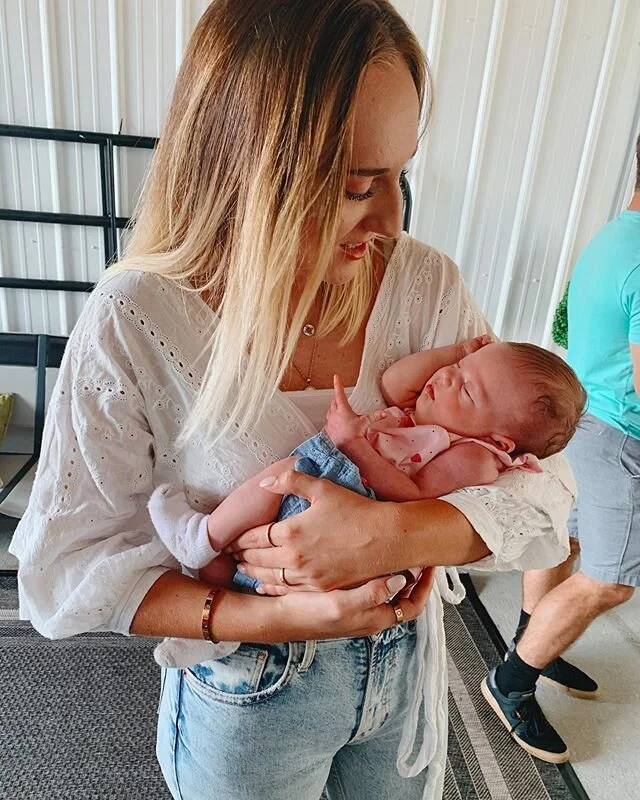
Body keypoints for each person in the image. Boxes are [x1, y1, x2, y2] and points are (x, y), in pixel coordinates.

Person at [9, 2, 576, 798]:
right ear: (241, 167)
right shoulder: (137, 320)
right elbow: (67, 571)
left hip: (405, 677)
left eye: (400, 175)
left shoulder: (424, 285)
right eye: (355, 185)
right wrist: (270, 618)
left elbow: (547, 494)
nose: (390, 219)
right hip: (249, 696)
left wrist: (393, 535)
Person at [149, 336, 585, 666]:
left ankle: (201, 540)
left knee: (285, 476)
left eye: (468, 390)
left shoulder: (474, 456)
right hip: (336, 495)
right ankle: (207, 602)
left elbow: (411, 496)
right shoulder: (431, 411)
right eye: (458, 368)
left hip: (354, 503)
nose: (448, 377)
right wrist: (456, 353)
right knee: (244, 543)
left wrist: (352, 444)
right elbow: (394, 382)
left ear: (499, 440)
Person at [482, 135, 640, 765]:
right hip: (620, 437)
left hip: (587, 417)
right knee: (610, 583)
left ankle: (534, 645)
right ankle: (512, 681)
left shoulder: (615, 237)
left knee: (563, 540)